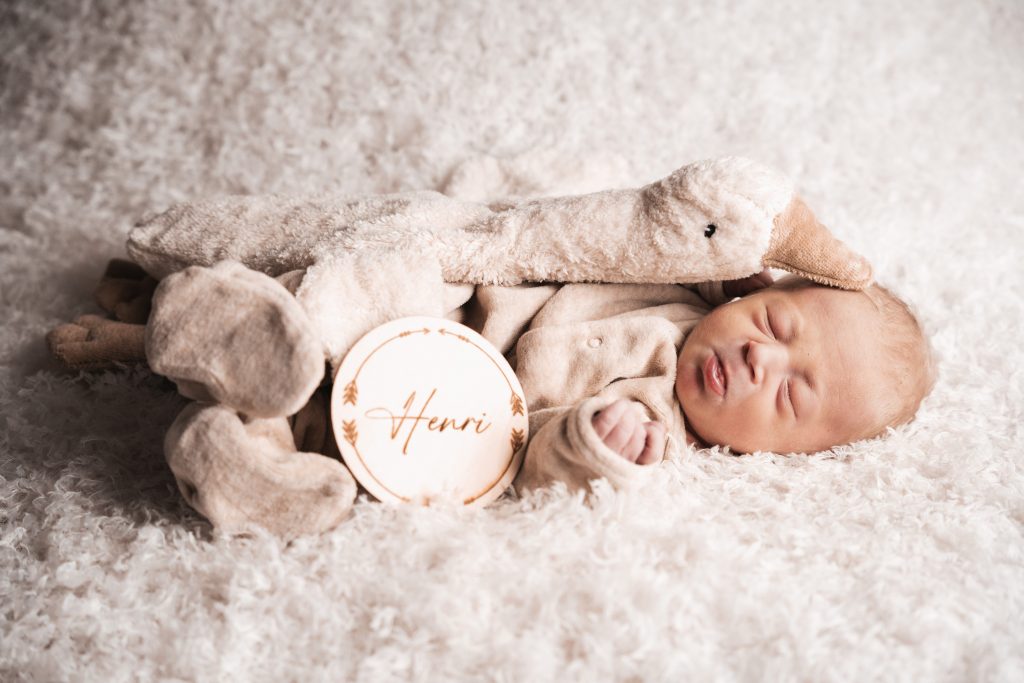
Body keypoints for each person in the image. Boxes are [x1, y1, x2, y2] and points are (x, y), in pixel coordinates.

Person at [46, 262, 935, 533]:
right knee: (331, 302)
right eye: (775, 322)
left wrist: (596, 443)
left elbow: (533, 464)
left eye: (790, 396)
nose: (757, 357)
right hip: (430, 312)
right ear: (759, 290)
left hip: (411, 414)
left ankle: (244, 463)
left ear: (781, 455)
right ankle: (202, 317)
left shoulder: (655, 424)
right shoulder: (684, 282)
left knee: (309, 422)